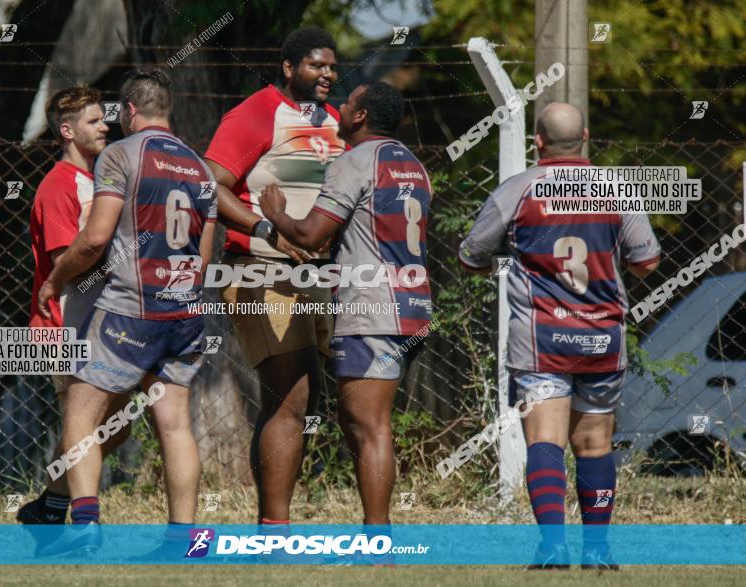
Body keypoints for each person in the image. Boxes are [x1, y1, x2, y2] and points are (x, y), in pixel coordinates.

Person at [458, 102, 661, 570]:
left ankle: (552, 548)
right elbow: (646, 261)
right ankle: (598, 551)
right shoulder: (617, 190)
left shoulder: (518, 190)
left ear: (538, 141)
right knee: (595, 445)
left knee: (544, 442)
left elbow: (471, 255)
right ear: (586, 137)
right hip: (602, 337)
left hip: (541, 339)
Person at [37, 69, 216, 555]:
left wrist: (55, 279)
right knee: (175, 424)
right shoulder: (201, 167)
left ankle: (85, 528)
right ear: (168, 108)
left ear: (130, 111)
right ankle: (184, 539)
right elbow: (202, 258)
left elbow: (95, 238)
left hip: (130, 309)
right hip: (184, 312)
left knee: (81, 411)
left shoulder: (121, 154)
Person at [260, 82, 432, 531]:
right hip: (411, 305)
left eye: (349, 101)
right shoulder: (413, 166)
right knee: (369, 423)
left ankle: (378, 539)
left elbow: (309, 234)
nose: (339, 105)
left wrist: (275, 212)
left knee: (367, 427)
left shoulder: (354, 161)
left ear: (361, 116)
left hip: (372, 308)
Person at [204, 26, 345, 526]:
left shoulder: (336, 120)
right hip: (260, 268)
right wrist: (265, 227)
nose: (327, 74)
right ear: (289, 68)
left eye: (331, 65)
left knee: (305, 398)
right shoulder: (257, 113)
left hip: (320, 277)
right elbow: (209, 185)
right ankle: (275, 530)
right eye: (315, 65)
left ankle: (274, 522)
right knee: (292, 395)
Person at [18, 85, 132, 529]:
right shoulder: (58, 185)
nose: (105, 125)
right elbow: (71, 259)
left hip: (102, 321)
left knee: (116, 423)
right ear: (67, 131)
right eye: (92, 120)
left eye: (105, 118)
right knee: (87, 423)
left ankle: (48, 504)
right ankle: (78, 518)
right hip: (63, 324)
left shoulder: (100, 178)